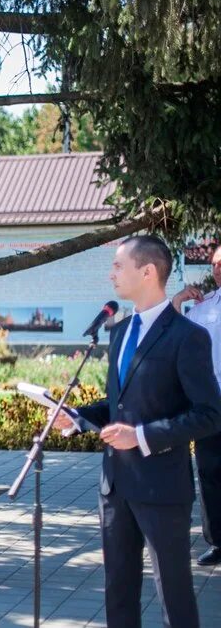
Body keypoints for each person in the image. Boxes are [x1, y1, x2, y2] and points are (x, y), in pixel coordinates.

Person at [52, 235, 221, 627]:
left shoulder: (188, 336)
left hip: (161, 485)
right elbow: (119, 403)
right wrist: (78, 418)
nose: (111, 274)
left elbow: (210, 415)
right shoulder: (120, 330)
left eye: (117, 266)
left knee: (174, 595)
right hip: (114, 487)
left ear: (147, 272)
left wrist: (142, 437)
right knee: (118, 590)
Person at [171, 243, 221, 567]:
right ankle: (218, 542)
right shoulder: (204, 307)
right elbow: (175, 335)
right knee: (210, 473)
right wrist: (177, 301)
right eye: (216, 263)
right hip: (210, 406)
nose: (219, 269)